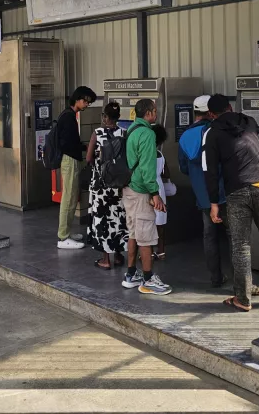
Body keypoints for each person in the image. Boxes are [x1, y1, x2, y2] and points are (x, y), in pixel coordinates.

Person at [203, 94, 259, 312]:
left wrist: (214, 202)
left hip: (237, 191)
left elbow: (210, 171)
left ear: (211, 114)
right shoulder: (249, 122)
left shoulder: (212, 133)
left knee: (241, 246)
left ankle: (243, 299)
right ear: (230, 107)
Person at [121, 98, 172, 295]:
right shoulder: (147, 133)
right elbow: (147, 167)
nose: (156, 114)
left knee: (134, 232)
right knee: (146, 236)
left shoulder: (132, 129)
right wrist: (154, 193)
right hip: (141, 191)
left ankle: (131, 274)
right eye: (155, 110)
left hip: (129, 189)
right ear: (149, 113)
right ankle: (148, 279)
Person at [178, 95, 227, 287]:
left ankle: (216, 277)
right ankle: (243, 281)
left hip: (203, 195)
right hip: (225, 191)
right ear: (211, 112)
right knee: (236, 237)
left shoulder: (185, 136)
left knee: (210, 235)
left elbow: (183, 168)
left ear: (194, 112)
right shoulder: (216, 131)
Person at [86, 102, 128, 269]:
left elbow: (89, 158)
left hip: (101, 185)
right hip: (118, 185)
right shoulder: (124, 133)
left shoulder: (98, 133)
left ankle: (106, 259)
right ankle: (118, 255)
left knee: (103, 219)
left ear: (105, 117)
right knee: (118, 218)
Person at [55, 85, 96, 249]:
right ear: (79, 99)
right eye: (86, 102)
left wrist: (84, 149)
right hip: (69, 160)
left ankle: (67, 232)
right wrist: (83, 152)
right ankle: (63, 237)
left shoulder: (69, 115)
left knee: (72, 197)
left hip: (71, 159)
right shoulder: (68, 117)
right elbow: (67, 143)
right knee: (68, 198)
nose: (87, 105)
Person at [152, 124, 177, 261]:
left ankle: (148, 251)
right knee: (160, 222)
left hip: (150, 188)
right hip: (160, 188)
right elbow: (166, 173)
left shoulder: (146, 153)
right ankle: (161, 251)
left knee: (149, 222)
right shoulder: (160, 155)